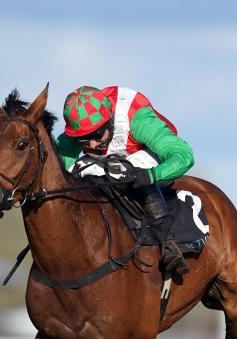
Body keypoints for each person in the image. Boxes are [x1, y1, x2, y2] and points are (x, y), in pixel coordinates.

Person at [56, 85, 194, 276]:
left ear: (110, 118)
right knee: (78, 174)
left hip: (145, 154)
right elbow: (63, 164)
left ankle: (167, 243)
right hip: (112, 158)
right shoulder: (81, 126)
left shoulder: (139, 119)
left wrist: (150, 176)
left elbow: (183, 156)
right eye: (84, 139)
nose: (92, 144)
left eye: (96, 135)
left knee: (121, 172)